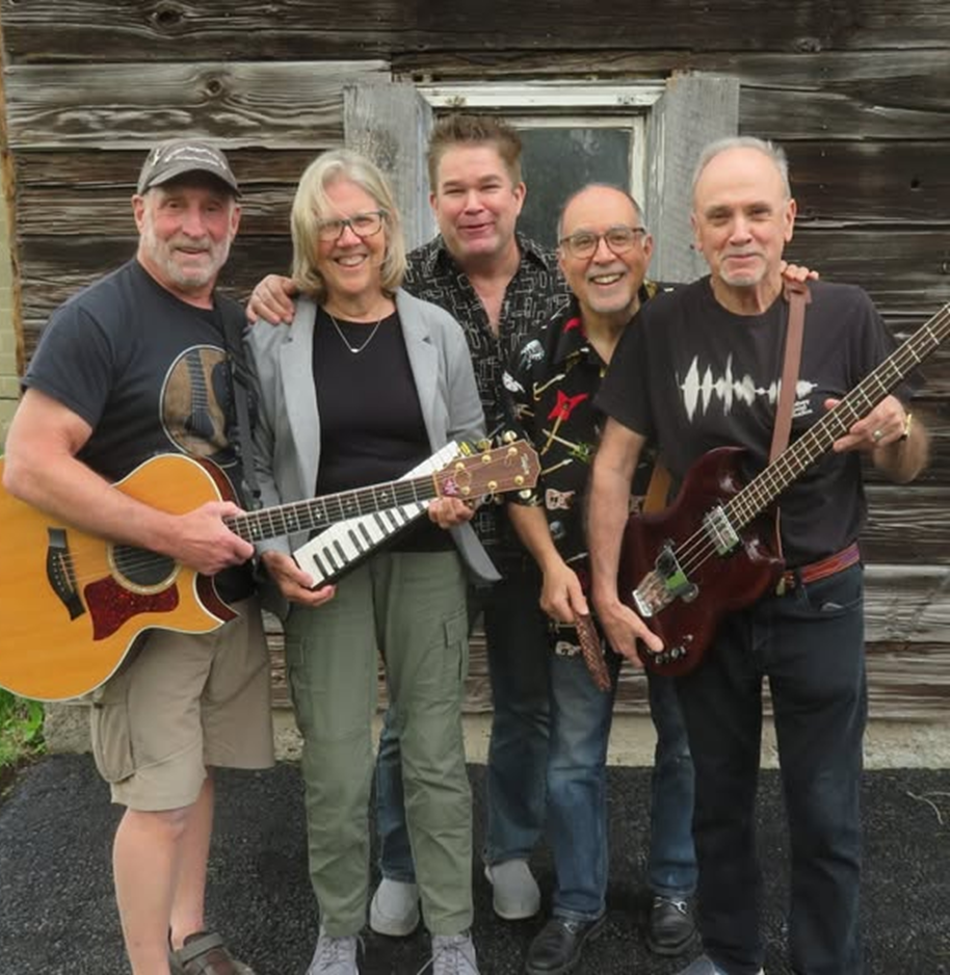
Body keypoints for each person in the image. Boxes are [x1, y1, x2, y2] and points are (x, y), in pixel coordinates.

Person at [587, 136, 929, 976]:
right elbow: (614, 465)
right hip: (705, 596)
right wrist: (606, 593)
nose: (739, 231)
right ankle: (732, 955)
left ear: (788, 220)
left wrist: (892, 433)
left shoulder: (844, 312)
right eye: (719, 216)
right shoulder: (663, 325)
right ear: (695, 230)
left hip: (819, 597)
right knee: (718, 803)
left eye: (755, 212)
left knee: (827, 812)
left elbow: (906, 461)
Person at [247, 114, 567, 929]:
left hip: (462, 546)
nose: (348, 238)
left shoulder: (466, 313)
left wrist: (466, 493)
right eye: (330, 224)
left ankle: (472, 903)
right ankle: (359, 907)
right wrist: (274, 549)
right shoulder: (280, 327)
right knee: (350, 756)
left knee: (457, 738)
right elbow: (256, 460)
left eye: (363, 220)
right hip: (333, 563)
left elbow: (468, 441)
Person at [2, 139, 274, 975]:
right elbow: (28, 463)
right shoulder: (98, 318)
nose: (193, 226)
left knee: (196, 776)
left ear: (234, 221)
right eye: (174, 205)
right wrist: (169, 535)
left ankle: (190, 936)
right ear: (139, 213)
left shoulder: (233, 320)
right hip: (133, 605)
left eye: (210, 208)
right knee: (157, 801)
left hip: (218, 595)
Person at [503, 183, 699, 974]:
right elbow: (512, 476)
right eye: (582, 242)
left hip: (686, 583)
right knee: (572, 756)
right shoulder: (532, 355)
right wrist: (550, 565)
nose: (603, 255)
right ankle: (577, 901)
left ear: (647, 247)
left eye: (618, 237)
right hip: (576, 590)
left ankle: (676, 888)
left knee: (684, 746)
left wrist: (794, 280)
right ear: (560, 260)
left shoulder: (693, 326)